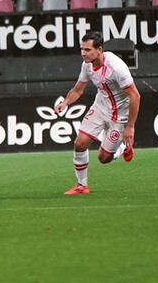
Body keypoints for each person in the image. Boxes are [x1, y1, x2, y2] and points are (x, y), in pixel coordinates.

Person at [54, 32, 141, 195]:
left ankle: (121, 148)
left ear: (99, 49)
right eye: (82, 49)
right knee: (79, 144)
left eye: (87, 50)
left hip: (120, 115)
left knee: (104, 158)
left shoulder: (116, 67)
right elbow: (78, 89)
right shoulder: (87, 65)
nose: (83, 53)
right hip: (100, 107)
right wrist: (65, 102)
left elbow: (135, 95)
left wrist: (130, 127)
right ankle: (82, 185)